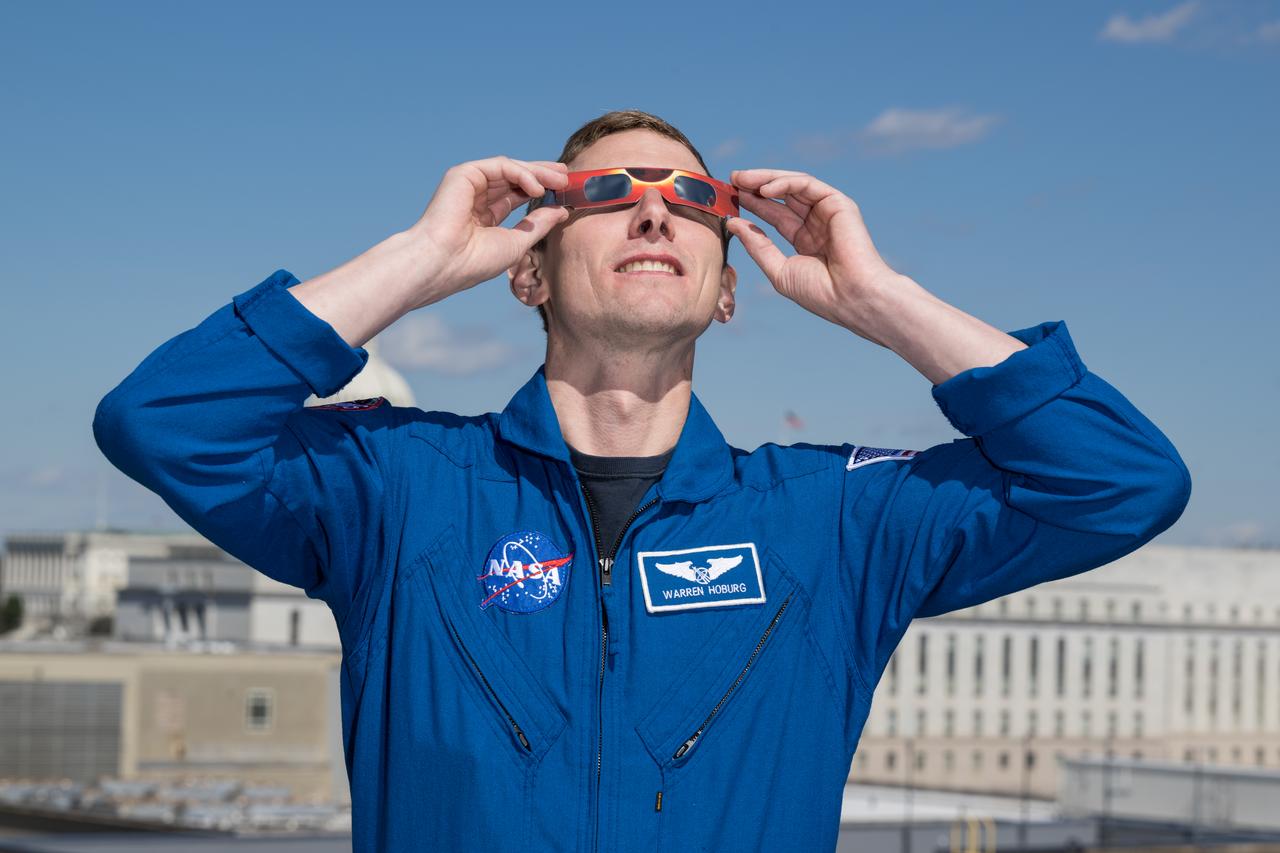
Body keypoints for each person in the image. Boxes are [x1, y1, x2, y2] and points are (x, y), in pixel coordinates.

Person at [93, 109, 1191, 852]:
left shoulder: (831, 520)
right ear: (526, 267)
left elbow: (1118, 482)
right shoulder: (400, 490)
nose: (656, 209)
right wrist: (416, 262)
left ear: (725, 289)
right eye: (611, 190)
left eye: (691, 198)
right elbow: (164, 423)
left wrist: (880, 299)